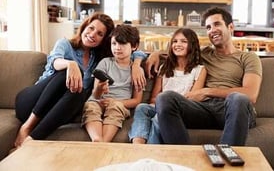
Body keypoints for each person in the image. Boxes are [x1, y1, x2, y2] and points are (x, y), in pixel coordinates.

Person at [14, 13, 146, 147]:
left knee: (79, 94)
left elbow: (130, 49)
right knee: (64, 75)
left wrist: (136, 65)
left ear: (103, 40)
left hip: (57, 111)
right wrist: (70, 64)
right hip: (33, 102)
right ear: (84, 27)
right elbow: (55, 61)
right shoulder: (65, 44)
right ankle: (27, 126)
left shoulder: (99, 58)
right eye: (91, 28)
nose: (93, 34)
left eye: (100, 34)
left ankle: (31, 140)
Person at [146, 7, 262, 146]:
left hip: (233, 108)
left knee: (237, 98)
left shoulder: (248, 57)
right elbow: (178, 51)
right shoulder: (204, 54)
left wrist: (207, 91)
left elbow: (251, 94)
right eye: (208, 27)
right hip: (203, 109)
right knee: (165, 98)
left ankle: (226, 157)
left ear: (231, 27)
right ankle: (184, 159)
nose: (212, 30)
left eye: (217, 24)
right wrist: (155, 54)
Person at [128, 28, 207, 144]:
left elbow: (193, 98)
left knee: (158, 117)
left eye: (183, 41)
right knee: (142, 108)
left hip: (183, 111)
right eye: (175, 41)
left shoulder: (199, 70)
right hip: (161, 106)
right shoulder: (164, 68)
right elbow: (154, 98)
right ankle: (138, 145)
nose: (178, 44)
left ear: (192, 45)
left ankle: (151, 152)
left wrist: (167, 104)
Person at [82, 24, 144, 142]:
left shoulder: (137, 71)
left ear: (134, 46)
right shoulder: (105, 63)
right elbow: (95, 95)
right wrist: (100, 89)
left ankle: (103, 143)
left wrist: (115, 101)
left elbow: (137, 100)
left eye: (122, 44)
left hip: (119, 104)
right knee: (90, 106)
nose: (117, 48)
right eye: (114, 43)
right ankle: (97, 140)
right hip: (98, 101)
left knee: (115, 108)